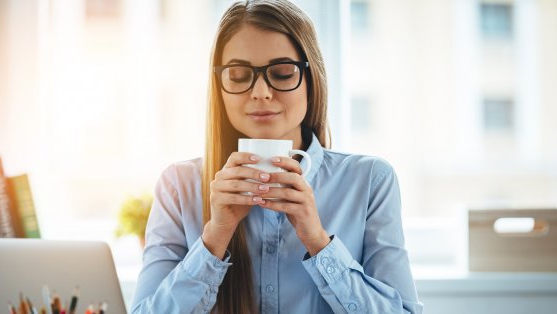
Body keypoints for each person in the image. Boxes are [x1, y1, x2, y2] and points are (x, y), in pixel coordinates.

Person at [131, 0, 423, 313]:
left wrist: (318, 242)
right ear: (220, 86)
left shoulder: (369, 181)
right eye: (240, 74)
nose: (260, 92)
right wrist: (215, 238)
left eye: (283, 73)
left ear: (311, 81)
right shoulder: (179, 186)